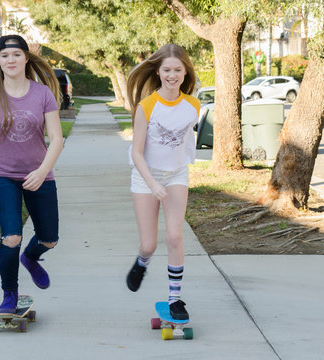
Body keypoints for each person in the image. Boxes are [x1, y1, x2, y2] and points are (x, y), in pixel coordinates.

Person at [0, 34, 63, 313]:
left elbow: (56, 139)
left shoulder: (42, 93)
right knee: (11, 236)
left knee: (49, 239)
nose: (11, 60)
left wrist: (43, 171)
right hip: (3, 175)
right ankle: (9, 296)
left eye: (16, 54)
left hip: (39, 175)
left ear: (25, 58)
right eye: (5, 55)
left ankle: (30, 258)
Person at [125, 44, 200, 320]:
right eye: (167, 70)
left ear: (185, 72)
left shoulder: (193, 104)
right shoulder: (147, 106)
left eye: (178, 70)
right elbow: (136, 151)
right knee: (149, 244)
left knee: (174, 235)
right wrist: (154, 184)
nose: (172, 75)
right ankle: (142, 262)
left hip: (176, 174)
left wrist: (178, 170)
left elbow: (183, 141)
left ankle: (175, 299)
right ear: (158, 71)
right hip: (146, 176)